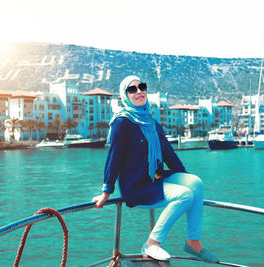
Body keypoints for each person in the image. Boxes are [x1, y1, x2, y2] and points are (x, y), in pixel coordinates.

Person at [92, 75, 219, 263]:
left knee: (195, 183)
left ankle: (193, 241)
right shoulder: (122, 122)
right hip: (137, 186)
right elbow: (114, 157)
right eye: (132, 89)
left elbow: (168, 154)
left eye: (141, 87)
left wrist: (183, 175)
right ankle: (152, 244)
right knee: (184, 195)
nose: (139, 91)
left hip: (156, 178)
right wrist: (107, 191)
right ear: (124, 95)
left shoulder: (151, 122)